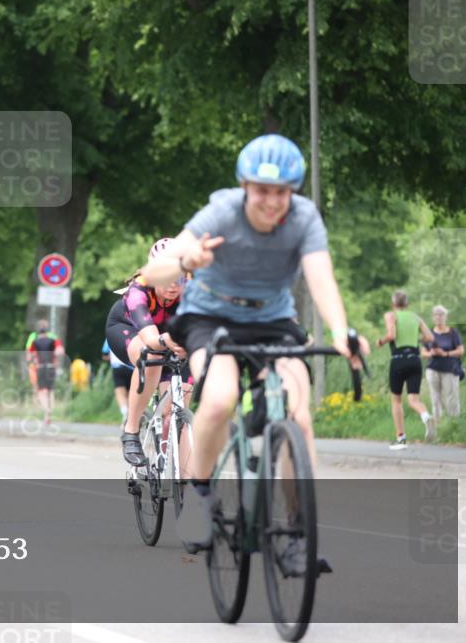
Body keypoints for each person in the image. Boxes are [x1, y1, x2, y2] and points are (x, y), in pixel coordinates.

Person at [141, 133, 367, 553]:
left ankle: (301, 533)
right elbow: (154, 273)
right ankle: (201, 496)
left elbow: (321, 277)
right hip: (211, 317)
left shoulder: (304, 218)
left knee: (299, 416)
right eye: (262, 191)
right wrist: (187, 261)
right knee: (221, 398)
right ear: (246, 187)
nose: (271, 201)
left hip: (273, 319)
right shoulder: (223, 211)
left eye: (281, 192)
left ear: (292, 191)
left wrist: (340, 331)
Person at [106, 238, 192, 469]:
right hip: (131, 329)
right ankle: (131, 431)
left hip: (169, 333)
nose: (174, 285)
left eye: (179, 277)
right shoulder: (138, 290)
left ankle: (184, 483)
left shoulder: (194, 289)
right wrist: (170, 340)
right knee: (152, 356)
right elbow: (153, 340)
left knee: (177, 415)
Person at [377, 290, 434, 447]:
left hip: (399, 360)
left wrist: (380, 342)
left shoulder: (391, 315)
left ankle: (401, 438)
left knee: (396, 400)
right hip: (415, 360)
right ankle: (425, 415)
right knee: (414, 399)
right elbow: (430, 337)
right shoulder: (415, 317)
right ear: (407, 304)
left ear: (393, 304)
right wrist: (416, 339)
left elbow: (392, 335)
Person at [421, 305, 464, 431]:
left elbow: (461, 350)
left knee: (451, 398)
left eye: (441, 314)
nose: (438, 317)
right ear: (433, 317)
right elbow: (423, 352)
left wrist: (445, 354)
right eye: (436, 314)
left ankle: (454, 426)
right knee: (435, 399)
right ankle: (438, 428)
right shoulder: (429, 333)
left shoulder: (452, 332)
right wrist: (431, 353)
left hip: (450, 369)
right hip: (433, 369)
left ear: (446, 316)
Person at [26, 320, 64, 424]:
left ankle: (46, 411)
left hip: (41, 367)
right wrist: (54, 354)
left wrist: (32, 359)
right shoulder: (53, 339)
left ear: (38, 331)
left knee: (42, 392)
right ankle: (49, 414)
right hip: (51, 367)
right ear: (47, 330)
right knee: (50, 391)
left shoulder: (35, 341)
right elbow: (60, 351)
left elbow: (29, 356)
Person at [102, 339, 133, 423]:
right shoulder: (135, 331)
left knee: (120, 391)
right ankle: (132, 414)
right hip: (132, 366)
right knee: (131, 392)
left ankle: (125, 412)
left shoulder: (111, 335)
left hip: (117, 366)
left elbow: (104, 354)